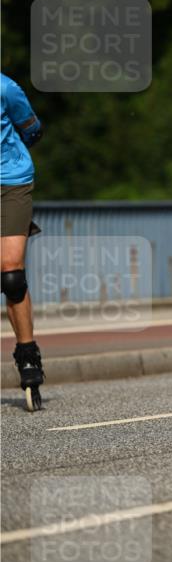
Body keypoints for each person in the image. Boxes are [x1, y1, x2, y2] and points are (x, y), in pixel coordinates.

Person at [1, 72, 45, 408]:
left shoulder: (5, 88)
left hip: (10, 181)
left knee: (12, 274)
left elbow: (32, 128)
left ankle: (28, 356)